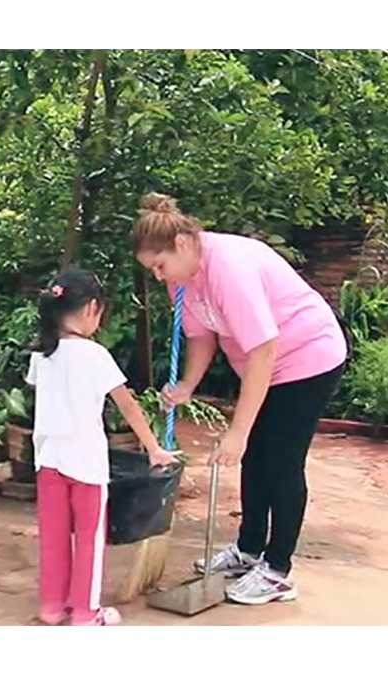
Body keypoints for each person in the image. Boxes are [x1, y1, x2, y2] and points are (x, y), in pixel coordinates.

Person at [133, 193, 348, 606]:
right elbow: (201, 336)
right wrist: (187, 385)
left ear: (181, 244)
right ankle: (249, 549)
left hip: (307, 356)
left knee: (281, 460)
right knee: (255, 458)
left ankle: (277, 570)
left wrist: (238, 431)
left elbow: (263, 351)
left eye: (159, 265)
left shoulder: (229, 269)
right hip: (262, 365)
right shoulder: (182, 278)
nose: (159, 277)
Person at [26, 268, 179, 628]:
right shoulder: (94, 355)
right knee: (90, 540)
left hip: (47, 461)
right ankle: (85, 613)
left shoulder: (41, 355)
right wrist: (154, 448)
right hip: (86, 465)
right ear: (92, 308)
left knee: (54, 536)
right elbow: (127, 405)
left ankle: (51, 607)